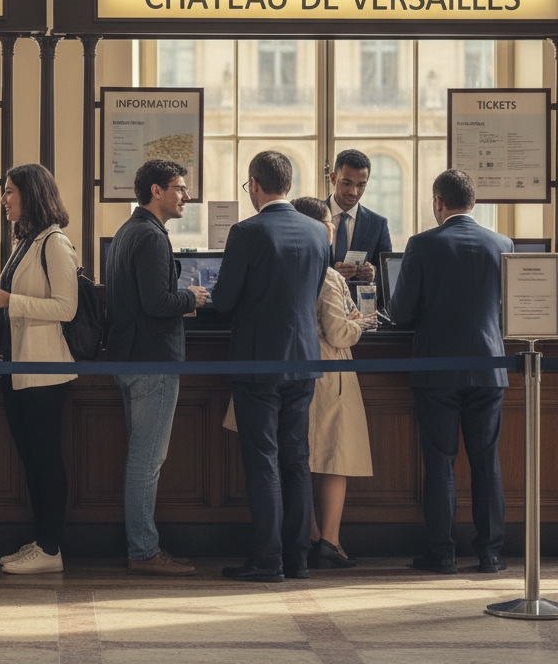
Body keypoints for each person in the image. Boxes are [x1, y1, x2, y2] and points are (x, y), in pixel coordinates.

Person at [211, 151, 330, 583]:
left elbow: (224, 300)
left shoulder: (246, 231)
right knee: (297, 459)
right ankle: (298, 558)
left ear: (255, 185)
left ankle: (267, 559)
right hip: (304, 359)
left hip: (258, 360)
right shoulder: (318, 232)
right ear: (289, 185)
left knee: (263, 460)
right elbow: (313, 291)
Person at [389, 169, 513, 574]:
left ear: (438, 202)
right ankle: (490, 554)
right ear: (473, 202)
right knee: (486, 461)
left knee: (440, 461)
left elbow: (400, 312)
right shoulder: (502, 244)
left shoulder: (423, 244)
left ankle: (442, 554)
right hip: (488, 366)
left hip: (437, 368)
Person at [106, 159, 208, 577]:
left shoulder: (128, 231)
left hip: (130, 357)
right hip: (152, 359)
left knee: (141, 458)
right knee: (147, 461)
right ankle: (144, 550)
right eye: (180, 188)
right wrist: (191, 297)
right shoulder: (151, 236)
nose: (186, 196)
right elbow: (157, 303)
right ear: (156, 191)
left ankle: (142, 547)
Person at [0, 164, 78, 574]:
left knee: (45, 458)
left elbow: (66, 308)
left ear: (31, 195)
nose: (4, 199)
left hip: (43, 368)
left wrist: (9, 301)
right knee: (32, 459)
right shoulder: (26, 242)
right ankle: (42, 542)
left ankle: (51, 548)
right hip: (19, 365)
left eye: (10, 191)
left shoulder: (54, 242)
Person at [290, 196, 375, 569]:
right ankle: (330, 540)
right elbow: (341, 332)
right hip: (331, 373)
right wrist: (361, 323)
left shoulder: (290, 266)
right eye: (329, 222)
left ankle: (308, 535)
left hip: (296, 368)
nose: (334, 227)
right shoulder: (328, 275)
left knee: (301, 458)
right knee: (335, 456)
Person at [326, 149, 392, 302]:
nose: (354, 192)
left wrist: (373, 273)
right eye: (347, 183)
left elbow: (388, 273)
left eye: (361, 185)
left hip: (361, 309)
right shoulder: (312, 217)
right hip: (319, 308)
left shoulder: (378, 224)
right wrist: (331, 273)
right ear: (333, 178)